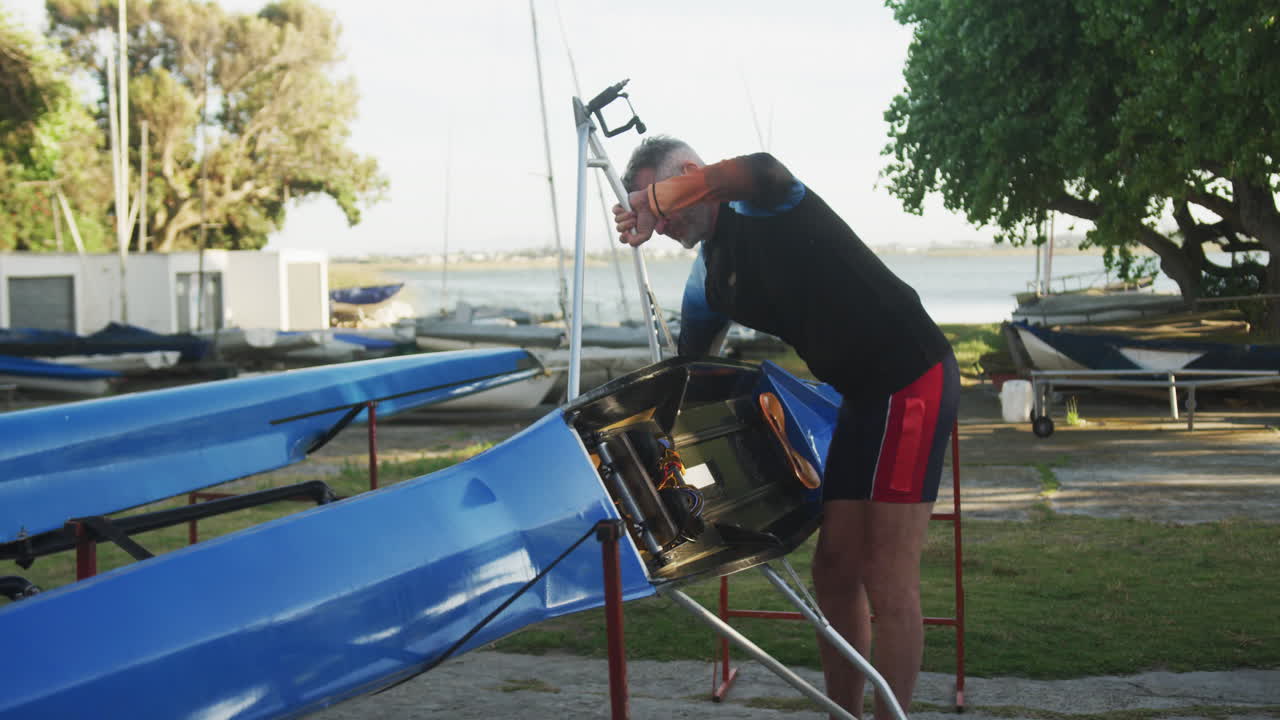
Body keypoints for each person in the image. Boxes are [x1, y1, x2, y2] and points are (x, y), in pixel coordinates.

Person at [613, 136, 960, 718]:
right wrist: (650, 444)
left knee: (887, 572)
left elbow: (763, 169)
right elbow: (684, 373)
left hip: (912, 376)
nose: (658, 222)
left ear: (692, 178)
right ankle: (843, 712)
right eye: (646, 210)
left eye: (661, 205)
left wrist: (652, 196)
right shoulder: (708, 279)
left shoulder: (762, 202)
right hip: (860, 397)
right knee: (834, 569)